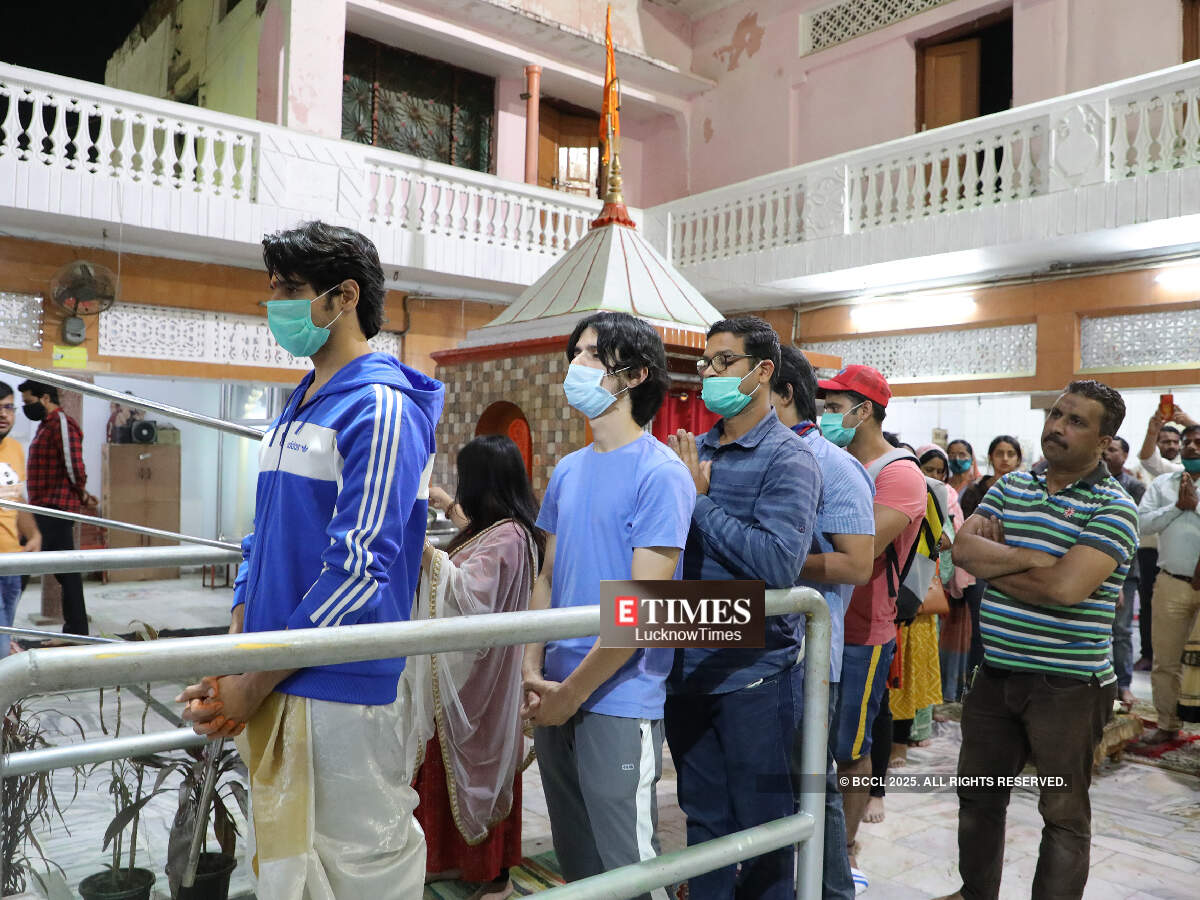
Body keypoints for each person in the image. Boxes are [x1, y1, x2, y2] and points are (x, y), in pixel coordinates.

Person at [179, 221, 444, 898]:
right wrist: (242, 647)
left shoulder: (380, 409)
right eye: (273, 290)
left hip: (341, 689)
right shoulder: (297, 405)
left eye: (291, 290)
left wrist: (254, 678)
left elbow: (359, 569)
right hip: (279, 670)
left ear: (343, 297)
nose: (277, 306)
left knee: (359, 873)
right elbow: (261, 537)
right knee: (290, 873)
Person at [940, 380, 1137, 900]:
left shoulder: (1114, 507)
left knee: (1062, 810)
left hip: (1068, 685)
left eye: (1075, 421)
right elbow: (962, 550)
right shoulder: (1011, 488)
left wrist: (1004, 567)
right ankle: (974, 893)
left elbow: (1068, 588)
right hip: (996, 676)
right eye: (1055, 414)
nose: (1056, 427)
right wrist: (1039, 561)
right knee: (979, 798)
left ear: (1103, 440)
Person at [521, 311, 694, 900]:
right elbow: (545, 577)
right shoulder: (568, 470)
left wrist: (571, 694)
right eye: (579, 352)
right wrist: (531, 669)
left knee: (629, 863)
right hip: (554, 687)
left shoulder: (662, 473)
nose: (579, 365)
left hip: (619, 692)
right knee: (578, 857)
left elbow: (645, 607)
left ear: (635, 375)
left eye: (594, 354)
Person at [666, 316, 820, 900]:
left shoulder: (788, 458)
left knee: (764, 828)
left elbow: (780, 564)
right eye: (706, 363)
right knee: (702, 820)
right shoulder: (696, 449)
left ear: (762, 372)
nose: (709, 374)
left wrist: (698, 502)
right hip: (685, 659)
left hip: (753, 673)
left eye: (723, 362)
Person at [406, 435, 544, 900]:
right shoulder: (501, 528)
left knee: (477, 771)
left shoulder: (511, 536)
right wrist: (445, 507)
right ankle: (451, 862)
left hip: (482, 684)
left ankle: (492, 875)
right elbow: (474, 547)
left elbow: (472, 594)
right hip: (468, 678)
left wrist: (425, 551)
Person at [771, 345, 875, 900]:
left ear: (781, 391)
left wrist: (771, 555)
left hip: (809, 655)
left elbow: (857, 563)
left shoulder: (834, 466)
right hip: (748, 645)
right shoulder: (748, 455)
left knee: (812, 785)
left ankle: (833, 890)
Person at [818, 365, 926, 894]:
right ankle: (815, 839)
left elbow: (859, 550)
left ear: (865, 411)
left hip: (863, 629)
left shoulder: (899, 474)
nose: (826, 414)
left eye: (836, 406)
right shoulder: (834, 460)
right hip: (821, 625)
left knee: (849, 743)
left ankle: (844, 847)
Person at [1135, 423, 1200, 747]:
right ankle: (1167, 723)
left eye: (1197, 442)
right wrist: (1177, 507)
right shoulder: (1163, 484)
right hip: (1172, 582)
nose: (1190, 447)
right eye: (1186, 442)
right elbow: (1141, 522)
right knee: (1166, 660)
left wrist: (1195, 504)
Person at [18, 379, 95, 635]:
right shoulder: (45, 426)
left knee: (19, 564)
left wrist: (80, 490)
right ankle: (77, 631)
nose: (26, 408)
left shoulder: (61, 423)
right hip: (44, 507)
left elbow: (74, 465)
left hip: (55, 509)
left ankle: (77, 631)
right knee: (66, 573)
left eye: (29, 402)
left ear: (46, 399)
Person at [956, 435, 1023, 675]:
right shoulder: (975, 491)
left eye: (1010, 454)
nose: (1005, 459)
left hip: (1016, 567)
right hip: (979, 568)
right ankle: (975, 682)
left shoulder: (1027, 492)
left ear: (1018, 458)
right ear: (991, 457)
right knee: (982, 627)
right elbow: (968, 532)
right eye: (999, 453)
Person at [1134, 414, 1194, 670]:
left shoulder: (1184, 468)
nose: (1172, 445)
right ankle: (1149, 653)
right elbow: (1148, 457)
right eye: (1165, 441)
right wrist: (1153, 428)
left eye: (1174, 441)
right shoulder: (1164, 475)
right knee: (1152, 606)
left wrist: (1189, 425)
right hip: (1157, 555)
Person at [920, 447, 975, 706]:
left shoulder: (945, 495)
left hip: (933, 581)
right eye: (928, 469)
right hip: (904, 582)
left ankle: (929, 708)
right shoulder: (908, 490)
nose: (934, 475)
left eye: (939, 471)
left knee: (929, 648)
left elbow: (949, 539)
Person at [0, 381, 41, 657]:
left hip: (12, 564)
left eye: (8, 407)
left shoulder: (15, 449)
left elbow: (16, 498)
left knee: (4, 639)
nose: (4, 414)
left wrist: (34, 533)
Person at [1103, 436, 1144, 709]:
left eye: (1112, 450)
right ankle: (1101, 685)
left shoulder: (1135, 487)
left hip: (1124, 571)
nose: (1106, 454)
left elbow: (1132, 533)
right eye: (1103, 449)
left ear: (1125, 456)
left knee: (1121, 630)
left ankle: (1124, 685)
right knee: (1095, 627)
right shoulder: (1088, 483)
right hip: (1090, 564)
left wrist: (1116, 575)